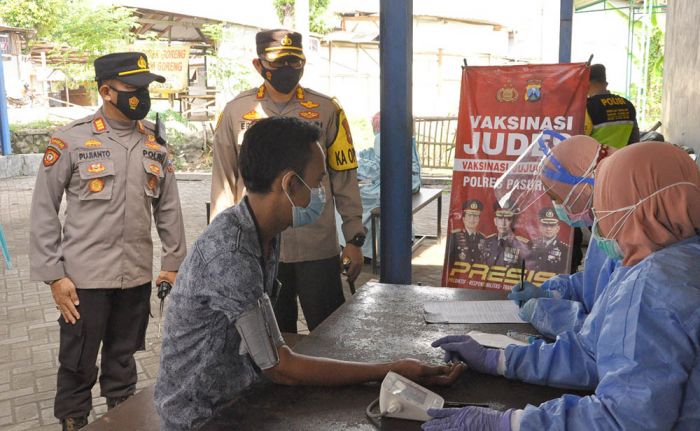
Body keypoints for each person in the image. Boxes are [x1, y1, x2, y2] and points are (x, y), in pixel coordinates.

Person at [155, 117, 464, 430]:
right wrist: (388, 370)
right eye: (317, 182)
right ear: (290, 184)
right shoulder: (231, 255)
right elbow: (280, 366)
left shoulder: (262, 233)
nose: (321, 193)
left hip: (238, 390)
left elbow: (273, 352)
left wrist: (390, 369)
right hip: (200, 416)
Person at [424, 141, 700, 430]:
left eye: (607, 204)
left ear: (632, 207)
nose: (600, 223)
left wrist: (512, 423)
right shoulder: (673, 259)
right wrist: (501, 360)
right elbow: (594, 351)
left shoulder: (652, 284)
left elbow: (623, 418)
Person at [29, 52, 186, 431]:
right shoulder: (71, 140)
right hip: (83, 281)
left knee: (123, 363)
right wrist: (54, 275)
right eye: (134, 89)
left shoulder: (154, 142)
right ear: (106, 91)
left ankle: (123, 421)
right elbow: (43, 209)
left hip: (134, 278)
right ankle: (74, 423)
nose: (142, 96)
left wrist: (173, 263)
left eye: (146, 89)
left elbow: (169, 208)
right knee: (78, 365)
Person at [210, 29, 365, 333]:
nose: (288, 70)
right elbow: (224, 184)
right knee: (272, 338)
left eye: (295, 63)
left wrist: (354, 238)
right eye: (280, 64)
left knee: (330, 334)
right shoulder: (235, 111)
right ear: (259, 65)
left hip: (317, 245)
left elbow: (344, 176)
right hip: (262, 248)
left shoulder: (326, 109)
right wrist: (223, 249)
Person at [507, 135, 619, 338]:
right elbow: (595, 284)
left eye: (556, 197)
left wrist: (550, 316)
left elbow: (608, 334)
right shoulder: (603, 223)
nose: (556, 206)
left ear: (582, 188)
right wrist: (552, 293)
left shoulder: (626, 237)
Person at [584, 63, 640, 149]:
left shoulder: (588, 107)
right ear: (605, 83)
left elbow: (579, 141)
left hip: (595, 160)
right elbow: (634, 140)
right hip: (620, 159)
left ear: (587, 84)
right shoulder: (627, 105)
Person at [482, 203, 529, 267]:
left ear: (513, 222)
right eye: (500, 218)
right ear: (495, 221)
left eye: (507, 219)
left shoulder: (522, 244)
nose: (503, 223)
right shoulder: (487, 241)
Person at [446, 199, 485, 268]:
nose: (472, 219)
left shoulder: (483, 238)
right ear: (463, 219)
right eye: (469, 215)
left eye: (475, 216)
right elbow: (449, 260)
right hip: (459, 274)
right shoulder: (454, 236)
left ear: (479, 219)